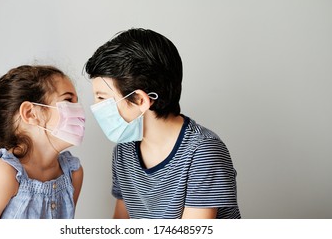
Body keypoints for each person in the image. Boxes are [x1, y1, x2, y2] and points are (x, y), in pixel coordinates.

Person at [84, 28, 241, 219]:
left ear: (141, 100)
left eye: (102, 98)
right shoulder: (123, 152)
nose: (96, 107)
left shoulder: (203, 152)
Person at [0, 64, 84, 219]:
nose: (79, 109)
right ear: (30, 113)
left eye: (77, 101)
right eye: (68, 100)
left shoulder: (73, 173)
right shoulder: (3, 173)